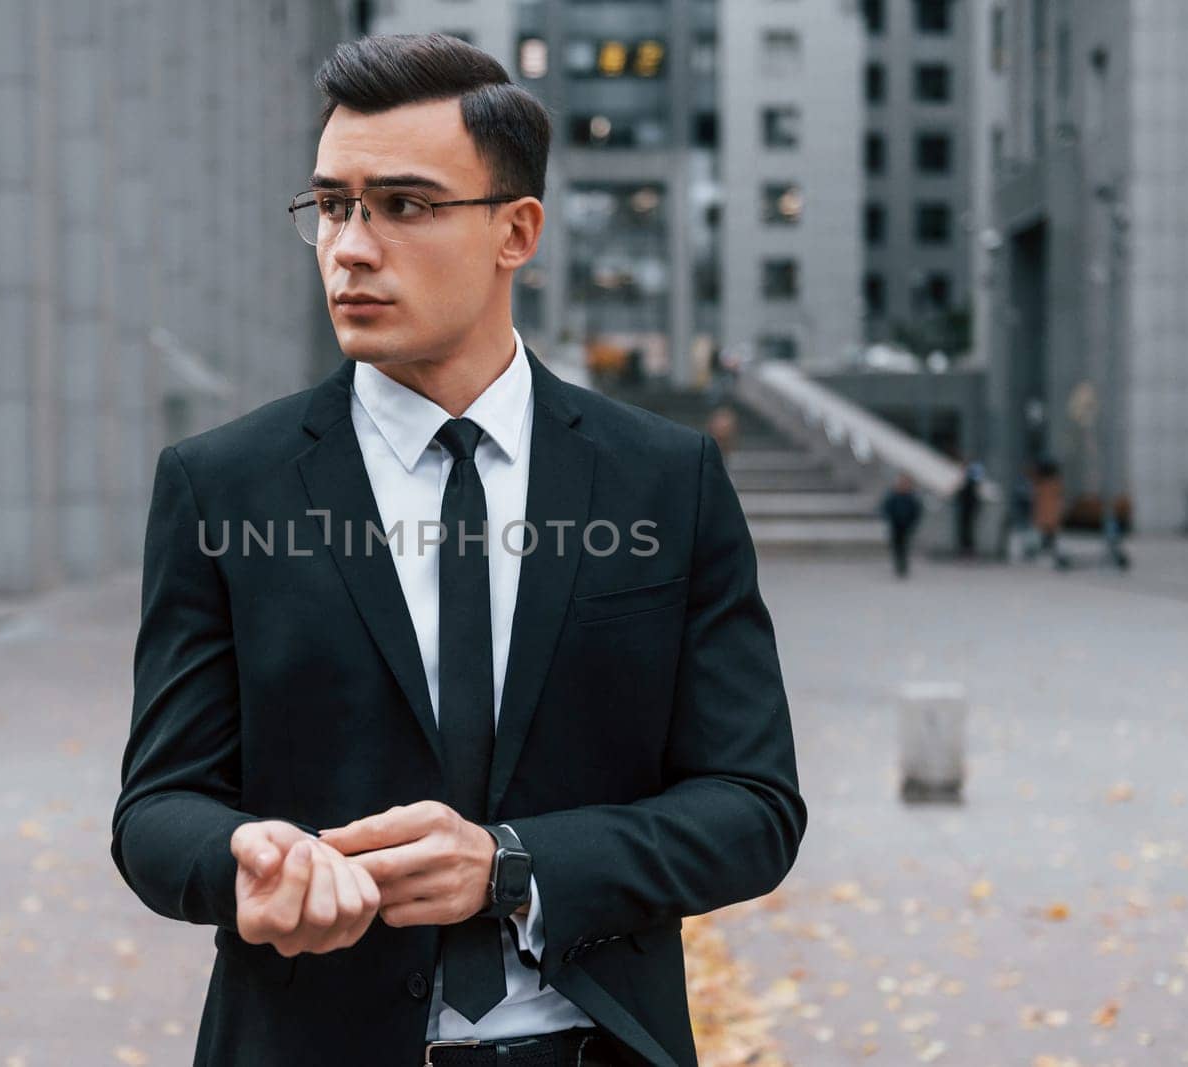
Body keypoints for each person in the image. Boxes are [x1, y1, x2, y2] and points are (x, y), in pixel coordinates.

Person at [109, 33, 806, 1067]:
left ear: (515, 230)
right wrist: (242, 855)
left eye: (403, 205)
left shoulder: (663, 479)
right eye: (333, 205)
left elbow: (752, 805)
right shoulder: (222, 484)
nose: (349, 245)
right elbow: (156, 808)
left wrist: (512, 866)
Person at [880, 473, 924, 578]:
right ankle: (899, 565)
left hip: (906, 525)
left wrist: (912, 522)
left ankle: (903, 566)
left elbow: (916, 510)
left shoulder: (911, 497)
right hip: (896, 525)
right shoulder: (893, 496)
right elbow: (886, 508)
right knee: (896, 546)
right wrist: (890, 518)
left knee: (904, 546)